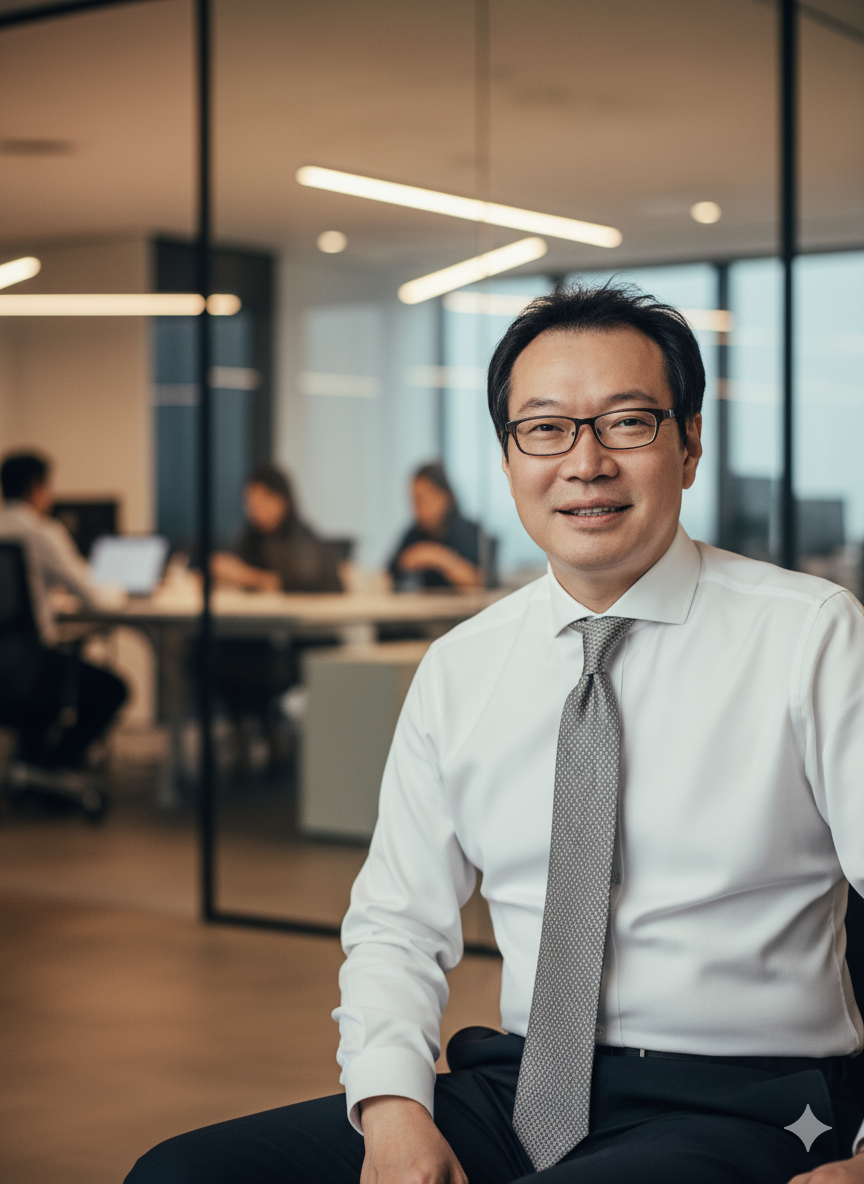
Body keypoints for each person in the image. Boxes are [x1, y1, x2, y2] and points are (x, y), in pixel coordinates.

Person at [126, 285, 864, 1184]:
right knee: (181, 1175)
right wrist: (393, 1107)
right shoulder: (462, 667)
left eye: (628, 423)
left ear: (690, 442)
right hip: (524, 1086)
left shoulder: (811, 634)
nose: (585, 463)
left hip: (748, 1099)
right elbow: (397, 924)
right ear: (510, 457)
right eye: (545, 428)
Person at [0, 451, 127, 769]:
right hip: (27, 669)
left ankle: (30, 765)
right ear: (36, 488)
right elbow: (95, 599)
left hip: (7, 666)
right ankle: (55, 767)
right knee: (112, 689)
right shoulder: (41, 533)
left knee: (48, 680)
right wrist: (122, 590)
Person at [209, 464, 343, 750]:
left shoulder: (302, 537)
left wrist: (247, 577)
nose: (253, 511)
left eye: (260, 502)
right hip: (253, 637)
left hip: (294, 641)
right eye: (249, 504)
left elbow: (299, 583)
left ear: (281, 500)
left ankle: (269, 728)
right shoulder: (249, 538)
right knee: (211, 652)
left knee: (244, 660)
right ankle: (249, 727)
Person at [388, 462, 486, 590]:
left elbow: (481, 582)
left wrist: (438, 558)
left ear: (444, 497)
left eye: (421, 499)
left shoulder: (470, 532)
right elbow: (389, 575)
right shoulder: (414, 533)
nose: (416, 507)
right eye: (413, 500)